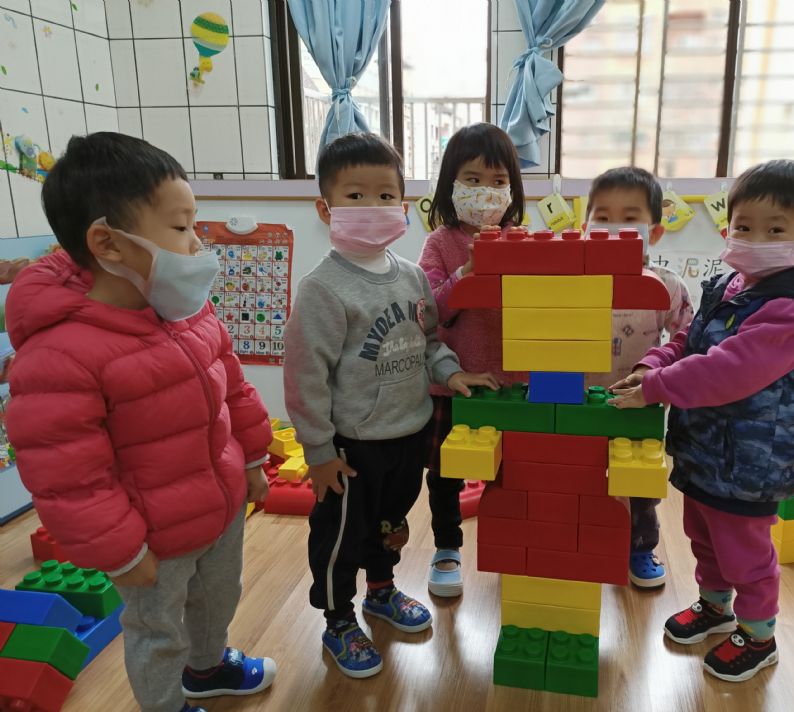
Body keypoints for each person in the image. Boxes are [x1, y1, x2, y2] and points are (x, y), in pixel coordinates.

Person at [6, 132, 276, 712]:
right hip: (153, 536)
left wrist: (253, 459)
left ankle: (208, 669)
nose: (197, 242)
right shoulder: (61, 354)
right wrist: (122, 551)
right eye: (180, 227)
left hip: (220, 506)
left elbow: (233, 385)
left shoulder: (188, 310)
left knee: (216, 601)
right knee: (158, 632)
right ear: (108, 243)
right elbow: (69, 475)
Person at [610, 159, 794, 682]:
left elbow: (729, 370)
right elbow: (692, 341)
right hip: (709, 449)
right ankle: (715, 606)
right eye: (744, 226)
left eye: (775, 230)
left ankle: (759, 635)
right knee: (703, 534)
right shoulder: (730, 287)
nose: (755, 239)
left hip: (753, 459)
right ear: (728, 228)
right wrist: (653, 363)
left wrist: (657, 387)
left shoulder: (789, 309)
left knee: (744, 550)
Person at [283, 132, 498, 679]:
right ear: (325, 208)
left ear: (403, 204)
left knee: (388, 523)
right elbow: (305, 378)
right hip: (351, 446)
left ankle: (381, 590)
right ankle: (338, 618)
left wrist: (452, 372)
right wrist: (318, 451)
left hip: (409, 433)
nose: (373, 206)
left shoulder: (410, 276)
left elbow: (428, 343)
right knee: (340, 537)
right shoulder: (322, 288)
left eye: (385, 195)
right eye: (355, 195)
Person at [417, 122, 527, 598]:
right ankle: (447, 548)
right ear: (451, 185)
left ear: (512, 188)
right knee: (445, 473)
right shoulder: (439, 243)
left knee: (513, 472)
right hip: (454, 384)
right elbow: (430, 311)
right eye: (473, 180)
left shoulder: (521, 240)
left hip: (512, 383)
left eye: (498, 181)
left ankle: (512, 542)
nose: (486, 191)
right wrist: (466, 271)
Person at [584, 166, 694, 588]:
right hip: (579, 400)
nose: (614, 228)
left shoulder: (667, 285)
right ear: (585, 225)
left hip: (639, 403)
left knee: (639, 482)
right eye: (603, 217)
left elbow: (688, 337)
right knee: (582, 475)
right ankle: (586, 540)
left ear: (655, 232)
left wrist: (661, 378)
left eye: (630, 219)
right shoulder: (574, 280)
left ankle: (640, 547)